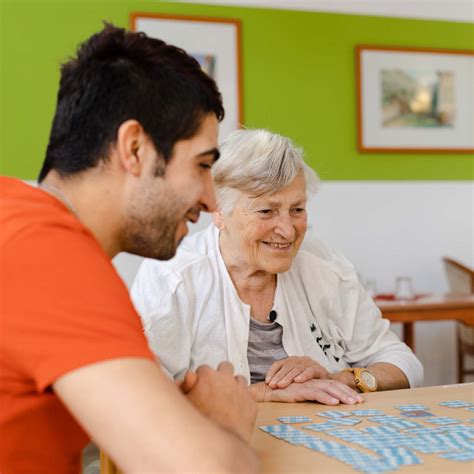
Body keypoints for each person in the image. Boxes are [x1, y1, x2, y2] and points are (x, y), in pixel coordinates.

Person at [0, 25, 258, 474]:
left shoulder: (14, 215)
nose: (211, 200)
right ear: (134, 148)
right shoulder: (52, 257)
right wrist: (228, 423)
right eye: (201, 166)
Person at [131, 129, 424, 404]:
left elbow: (403, 362)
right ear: (219, 212)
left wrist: (342, 379)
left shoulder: (324, 267)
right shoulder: (172, 277)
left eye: (297, 209)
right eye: (266, 211)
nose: (287, 230)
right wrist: (262, 393)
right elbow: (142, 396)